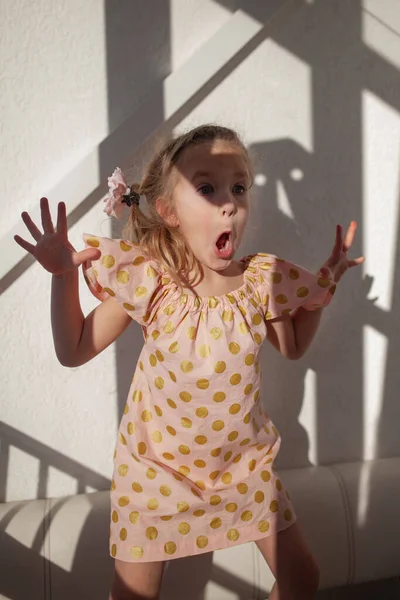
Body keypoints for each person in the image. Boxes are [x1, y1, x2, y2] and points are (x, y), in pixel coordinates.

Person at [15, 124, 364, 600]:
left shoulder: (261, 279)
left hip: (243, 471)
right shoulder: (152, 281)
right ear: (168, 211)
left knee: (302, 577)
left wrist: (322, 288)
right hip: (156, 477)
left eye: (239, 188)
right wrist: (63, 278)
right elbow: (74, 349)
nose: (229, 203)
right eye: (207, 188)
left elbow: (293, 346)